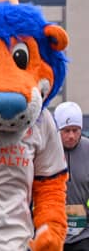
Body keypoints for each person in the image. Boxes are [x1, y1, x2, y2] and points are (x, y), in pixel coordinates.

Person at [57, 102, 89, 251]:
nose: (71, 136)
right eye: (66, 130)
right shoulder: (45, 150)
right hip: (51, 231)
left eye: (75, 130)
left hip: (83, 234)